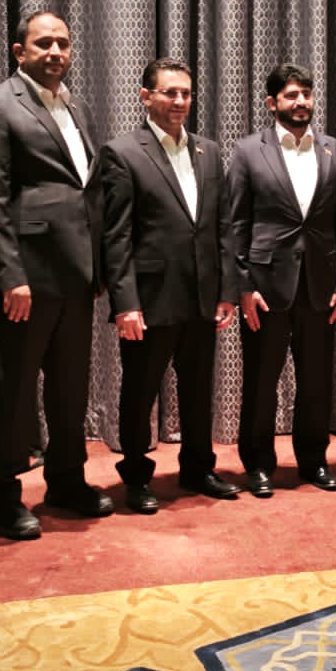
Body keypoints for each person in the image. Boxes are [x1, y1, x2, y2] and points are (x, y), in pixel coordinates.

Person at [0, 10, 111, 541]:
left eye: (63, 43)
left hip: (76, 275)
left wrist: (99, 265)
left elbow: (83, 191)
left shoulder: (77, 107)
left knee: (70, 388)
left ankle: (66, 481)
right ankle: (1, 496)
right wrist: (9, 273)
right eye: (43, 43)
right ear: (19, 51)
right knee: (14, 390)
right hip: (26, 277)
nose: (55, 52)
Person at [101, 57, 239, 514]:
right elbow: (116, 236)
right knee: (140, 393)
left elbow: (221, 227)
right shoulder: (122, 153)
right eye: (170, 92)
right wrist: (125, 302)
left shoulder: (209, 152)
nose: (180, 101)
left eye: (185, 93)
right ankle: (137, 476)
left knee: (199, 390)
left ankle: (198, 468)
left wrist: (226, 291)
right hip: (150, 300)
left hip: (202, 297)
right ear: (146, 96)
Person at [228, 64, 336, 496]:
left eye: (306, 93)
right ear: (272, 103)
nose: (300, 102)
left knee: (316, 380)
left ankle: (313, 461)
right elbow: (236, 224)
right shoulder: (249, 151)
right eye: (290, 95)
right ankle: (258, 465)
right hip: (265, 287)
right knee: (261, 381)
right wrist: (243, 285)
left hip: (321, 284)